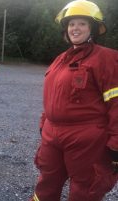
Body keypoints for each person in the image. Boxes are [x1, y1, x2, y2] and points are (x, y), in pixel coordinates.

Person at [31, 1, 118, 200]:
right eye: (71, 24)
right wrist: (44, 123)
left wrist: (116, 144)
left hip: (86, 137)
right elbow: (53, 95)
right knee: (46, 183)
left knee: (84, 189)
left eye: (82, 24)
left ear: (93, 28)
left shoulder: (106, 58)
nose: (75, 28)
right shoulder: (60, 59)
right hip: (52, 134)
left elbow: (116, 104)